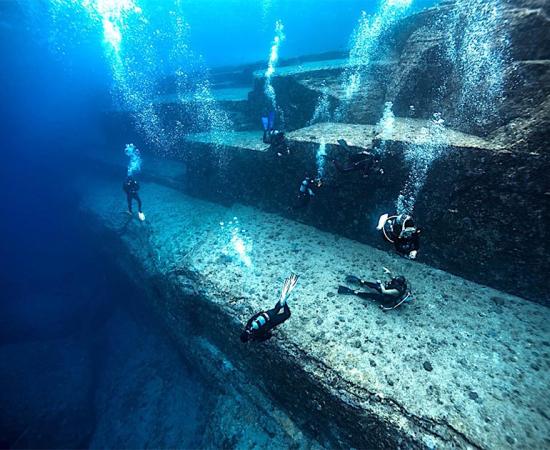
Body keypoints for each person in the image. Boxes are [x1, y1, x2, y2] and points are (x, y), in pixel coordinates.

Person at [240, 274, 299, 343]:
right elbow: (253, 318)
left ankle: (283, 300)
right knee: (277, 308)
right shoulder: (248, 326)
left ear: (248, 339)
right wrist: (261, 313)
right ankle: (282, 300)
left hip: (271, 321)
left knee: (287, 314)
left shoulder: (255, 336)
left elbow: (268, 335)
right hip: (265, 314)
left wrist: (269, 335)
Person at [337, 269, 412, 311]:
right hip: (388, 292)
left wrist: (381, 284)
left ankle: (355, 292)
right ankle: (362, 282)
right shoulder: (401, 284)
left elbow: (384, 291)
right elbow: (393, 278)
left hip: (387, 298)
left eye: (395, 281)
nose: (393, 281)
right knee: (375, 286)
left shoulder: (396, 291)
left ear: (398, 284)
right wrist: (389, 273)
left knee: (373, 295)